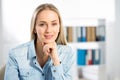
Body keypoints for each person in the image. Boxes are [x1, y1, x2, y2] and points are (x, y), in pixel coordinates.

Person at [4, 3, 75, 80]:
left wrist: (55, 60)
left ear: (59, 27)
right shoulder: (15, 54)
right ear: (34, 28)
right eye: (42, 24)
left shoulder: (67, 53)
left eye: (54, 24)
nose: (49, 30)